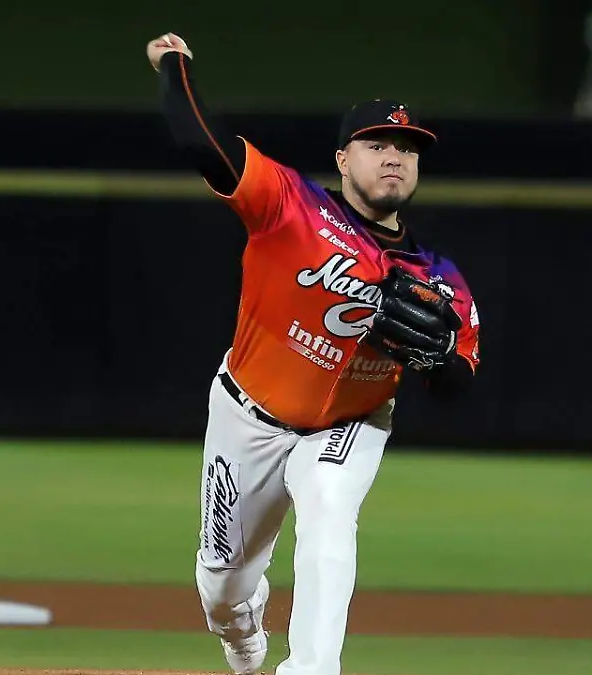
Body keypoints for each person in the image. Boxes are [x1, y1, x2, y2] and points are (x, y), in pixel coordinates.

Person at [146, 32, 481, 675]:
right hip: (247, 415)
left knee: (329, 505)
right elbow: (200, 142)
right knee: (221, 586)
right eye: (378, 144)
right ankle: (244, 644)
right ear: (342, 157)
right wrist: (174, 64)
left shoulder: (439, 279)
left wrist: (441, 361)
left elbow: (461, 378)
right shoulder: (288, 204)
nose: (395, 157)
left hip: (349, 423)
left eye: (408, 149)